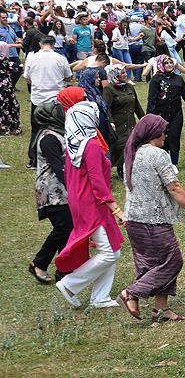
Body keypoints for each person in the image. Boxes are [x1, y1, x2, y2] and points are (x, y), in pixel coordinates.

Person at [117, 114, 185, 322]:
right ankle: (131, 293)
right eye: (163, 131)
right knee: (173, 261)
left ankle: (161, 310)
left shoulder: (131, 153)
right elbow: (174, 187)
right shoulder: (158, 155)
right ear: (154, 133)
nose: (165, 135)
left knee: (151, 265)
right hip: (152, 221)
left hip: (133, 219)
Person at [54, 102, 125, 310]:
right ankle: (69, 284)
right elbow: (97, 181)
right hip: (93, 204)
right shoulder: (91, 145)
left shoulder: (73, 143)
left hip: (79, 202)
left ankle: (100, 297)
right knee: (110, 252)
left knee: (112, 249)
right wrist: (116, 209)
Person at [29, 100, 73, 284]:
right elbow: (58, 167)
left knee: (67, 228)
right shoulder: (48, 138)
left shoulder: (56, 134)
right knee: (63, 227)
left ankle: (64, 270)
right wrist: (73, 185)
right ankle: (39, 263)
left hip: (60, 191)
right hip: (52, 192)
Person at [24, 35, 72, 167]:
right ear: (53, 44)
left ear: (40, 44)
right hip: (55, 98)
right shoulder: (60, 58)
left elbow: (27, 78)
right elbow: (68, 76)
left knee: (36, 129)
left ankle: (33, 159)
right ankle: (59, 155)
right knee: (58, 128)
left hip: (38, 98)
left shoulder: (32, 58)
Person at [146, 55, 185, 168]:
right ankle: (163, 162)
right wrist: (149, 118)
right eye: (166, 63)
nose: (169, 65)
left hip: (176, 114)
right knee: (162, 138)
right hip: (160, 115)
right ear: (161, 65)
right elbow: (151, 100)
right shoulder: (156, 80)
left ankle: (174, 162)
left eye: (171, 63)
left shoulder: (179, 79)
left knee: (174, 138)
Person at [103, 65, 144, 178]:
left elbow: (137, 106)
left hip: (130, 123)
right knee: (120, 146)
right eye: (123, 73)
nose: (126, 74)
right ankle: (118, 169)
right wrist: (111, 122)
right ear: (115, 74)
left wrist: (144, 119)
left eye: (126, 72)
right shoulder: (109, 89)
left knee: (132, 145)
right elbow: (106, 108)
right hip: (118, 124)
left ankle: (129, 168)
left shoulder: (130, 87)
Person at [0, 38, 23, 135]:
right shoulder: (3, 59)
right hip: (4, 87)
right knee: (9, 106)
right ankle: (8, 127)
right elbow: (17, 68)